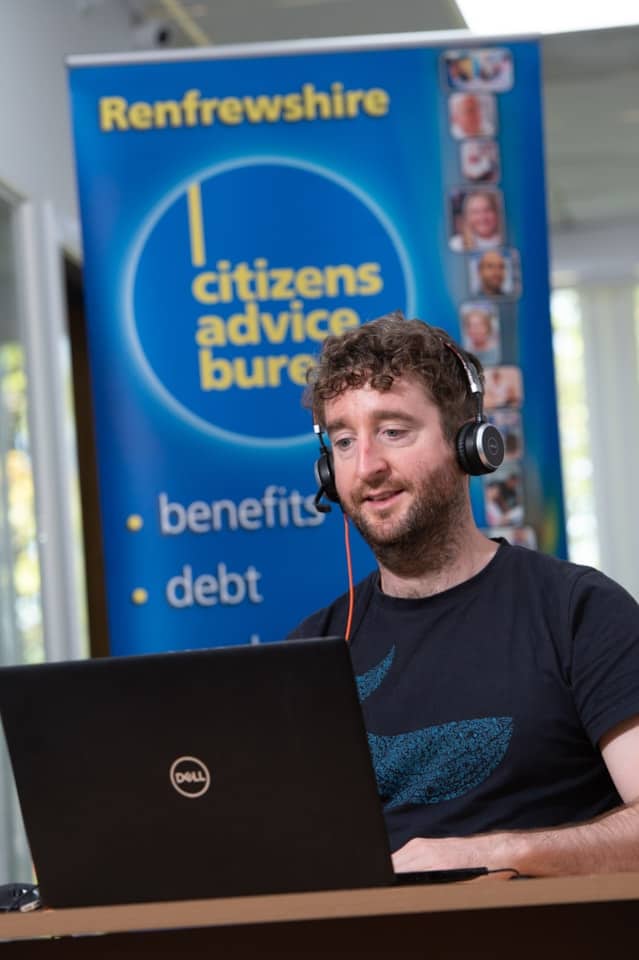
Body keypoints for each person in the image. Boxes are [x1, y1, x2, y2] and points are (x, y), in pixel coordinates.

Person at [288, 311, 639, 878]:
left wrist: (493, 854)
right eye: (344, 441)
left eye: (394, 431)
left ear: (470, 444)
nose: (367, 467)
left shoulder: (578, 612)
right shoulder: (312, 651)